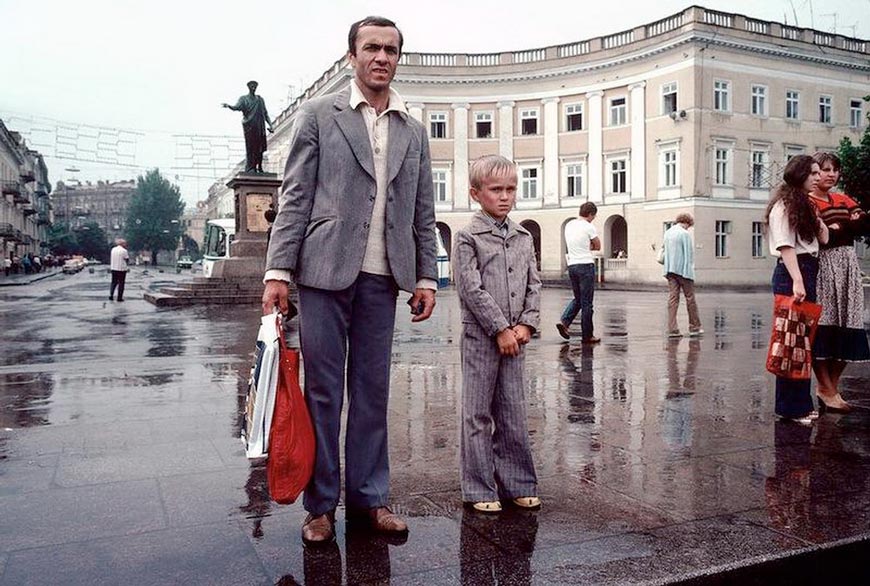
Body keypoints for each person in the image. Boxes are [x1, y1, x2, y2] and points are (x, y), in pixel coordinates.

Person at [262, 16, 437, 545]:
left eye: (390, 49)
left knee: (371, 392)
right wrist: (278, 271)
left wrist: (426, 275)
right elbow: (295, 196)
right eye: (371, 48)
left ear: (398, 58)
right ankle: (319, 506)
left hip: (384, 278)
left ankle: (370, 497)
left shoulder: (414, 129)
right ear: (351, 57)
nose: (381, 57)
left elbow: (422, 211)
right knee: (322, 392)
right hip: (322, 273)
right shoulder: (320, 114)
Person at [453, 155, 542, 514]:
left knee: (513, 410)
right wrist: (500, 328)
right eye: (496, 190)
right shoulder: (467, 237)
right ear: (476, 193)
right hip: (481, 338)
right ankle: (478, 487)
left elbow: (534, 283)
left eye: (510, 189)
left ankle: (518, 482)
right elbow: (470, 289)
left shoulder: (523, 236)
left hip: (515, 338)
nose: (505, 197)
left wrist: (527, 323)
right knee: (477, 413)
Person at [764, 155, 829, 424]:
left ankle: (799, 405)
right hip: (793, 271)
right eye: (813, 173)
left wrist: (816, 216)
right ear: (800, 174)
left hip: (807, 268)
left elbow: (824, 238)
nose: (818, 177)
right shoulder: (783, 205)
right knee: (791, 342)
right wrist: (798, 281)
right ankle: (791, 408)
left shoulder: (805, 204)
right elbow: (785, 245)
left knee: (803, 342)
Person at [809, 152, 869, 413]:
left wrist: (839, 227)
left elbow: (863, 226)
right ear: (814, 172)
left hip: (848, 268)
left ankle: (829, 387)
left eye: (835, 169)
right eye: (825, 169)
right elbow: (822, 237)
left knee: (851, 325)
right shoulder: (807, 201)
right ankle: (826, 387)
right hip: (823, 267)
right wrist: (844, 226)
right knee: (824, 327)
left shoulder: (842, 198)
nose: (831, 174)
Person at [556, 202, 601, 343]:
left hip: (572, 266)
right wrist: (589, 245)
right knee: (587, 303)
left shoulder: (569, 225)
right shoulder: (589, 226)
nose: (593, 219)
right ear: (591, 214)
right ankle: (587, 335)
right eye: (594, 216)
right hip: (586, 265)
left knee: (578, 299)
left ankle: (564, 322)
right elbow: (598, 246)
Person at [662, 213, 702, 337]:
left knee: (673, 299)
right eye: (689, 225)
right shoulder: (684, 234)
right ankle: (694, 327)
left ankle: (672, 329)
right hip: (683, 271)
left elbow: (665, 251)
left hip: (670, 270)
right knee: (690, 299)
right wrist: (689, 273)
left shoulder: (668, 232)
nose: (688, 228)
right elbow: (688, 255)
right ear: (686, 222)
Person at [222, 81, 274, 173]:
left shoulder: (260, 99)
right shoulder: (244, 99)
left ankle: (259, 167)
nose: (254, 87)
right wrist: (229, 106)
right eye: (252, 86)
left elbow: (265, 114)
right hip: (250, 128)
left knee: (260, 148)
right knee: (251, 147)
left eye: (255, 86)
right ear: (248, 87)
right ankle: (251, 168)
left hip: (259, 126)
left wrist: (271, 125)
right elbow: (236, 107)